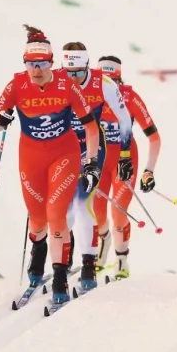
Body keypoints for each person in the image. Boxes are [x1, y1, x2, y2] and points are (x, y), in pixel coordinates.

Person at [0, 25, 102, 305]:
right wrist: (0, 121)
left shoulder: (67, 85)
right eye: (30, 64)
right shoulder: (16, 85)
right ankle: (36, 262)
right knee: (36, 219)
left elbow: (91, 127)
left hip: (64, 154)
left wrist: (92, 162)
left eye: (41, 64)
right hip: (31, 157)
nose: (36, 70)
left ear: (52, 63)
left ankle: (60, 276)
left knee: (55, 214)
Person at [60, 42, 133, 292]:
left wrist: (125, 154)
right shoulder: (57, 80)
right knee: (63, 207)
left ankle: (90, 264)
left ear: (87, 66)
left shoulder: (104, 83)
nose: (72, 79)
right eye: (68, 72)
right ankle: (64, 261)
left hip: (94, 148)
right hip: (65, 148)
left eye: (78, 73)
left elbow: (125, 120)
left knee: (84, 204)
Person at [93, 55, 162, 278]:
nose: (109, 89)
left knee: (119, 213)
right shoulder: (88, 97)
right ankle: (104, 240)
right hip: (98, 160)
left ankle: (121, 259)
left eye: (113, 82)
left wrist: (149, 171)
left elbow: (154, 137)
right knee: (97, 212)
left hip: (125, 159)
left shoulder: (130, 97)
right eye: (103, 82)